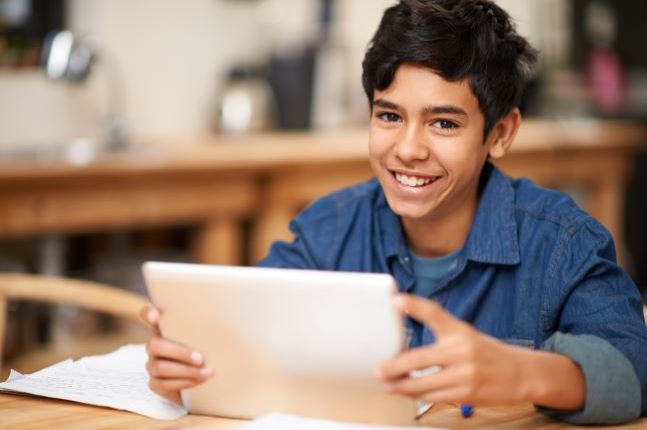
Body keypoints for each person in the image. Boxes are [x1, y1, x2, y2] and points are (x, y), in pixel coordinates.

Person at [141, 0, 647, 424]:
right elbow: (245, 338)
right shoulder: (328, 232)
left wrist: (522, 372)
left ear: (501, 133)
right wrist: (189, 361)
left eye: (443, 124)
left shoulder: (563, 242)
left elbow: (634, 369)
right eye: (389, 116)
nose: (407, 149)